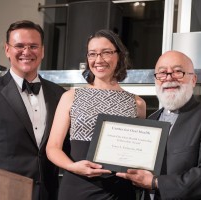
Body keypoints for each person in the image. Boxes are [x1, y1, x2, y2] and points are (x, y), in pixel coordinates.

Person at [0, 20, 69, 200]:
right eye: (19, 46)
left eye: (33, 46)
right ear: (7, 50)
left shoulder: (60, 95)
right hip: (0, 194)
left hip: (49, 195)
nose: (26, 52)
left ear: (42, 51)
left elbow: (69, 147)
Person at [46, 29, 146, 200]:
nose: (98, 60)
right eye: (92, 54)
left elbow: (138, 152)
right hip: (78, 187)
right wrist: (73, 166)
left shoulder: (137, 103)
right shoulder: (71, 96)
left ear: (119, 56)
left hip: (119, 191)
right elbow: (52, 147)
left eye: (106, 52)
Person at [116, 50, 201, 200]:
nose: (169, 78)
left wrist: (156, 182)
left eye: (177, 72)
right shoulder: (151, 120)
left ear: (193, 80)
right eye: (162, 73)